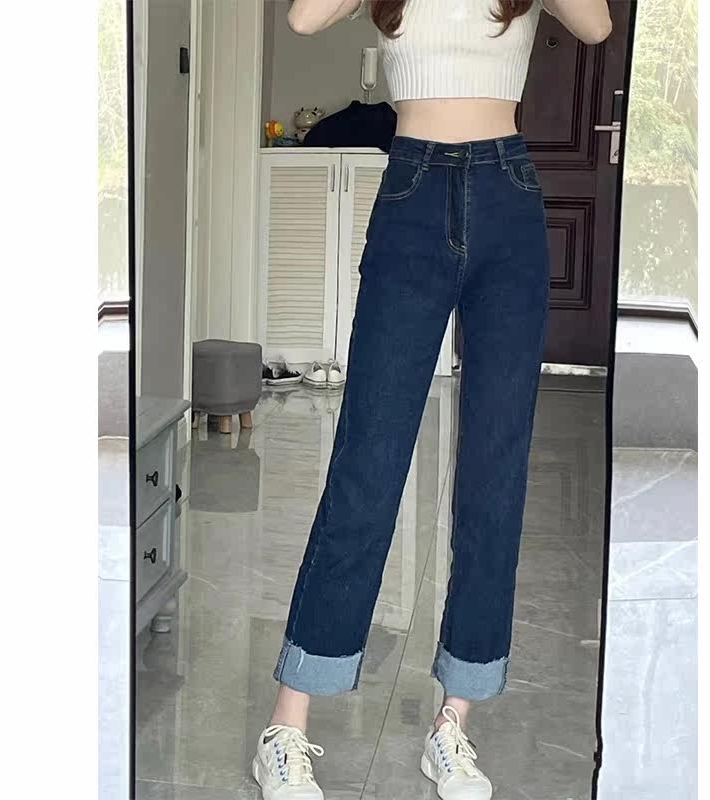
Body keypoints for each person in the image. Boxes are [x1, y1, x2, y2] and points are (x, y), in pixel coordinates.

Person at [253, 2, 612, 798]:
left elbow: (595, 26)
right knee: (368, 462)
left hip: (509, 196)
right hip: (412, 193)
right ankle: (286, 724)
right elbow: (303, 19)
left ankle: (453, 725)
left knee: (494, 472)